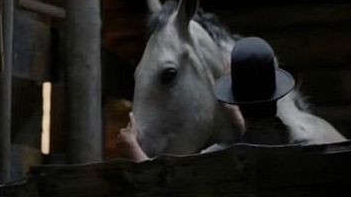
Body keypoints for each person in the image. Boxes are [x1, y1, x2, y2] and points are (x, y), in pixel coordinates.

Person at [117, 37, 295, 160]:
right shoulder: (287, 136)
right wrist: (237, 116)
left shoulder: (220, 158)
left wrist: (131, 147)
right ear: (275, 93)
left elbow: (166, 186)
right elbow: (257, 140)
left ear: (237, 100)